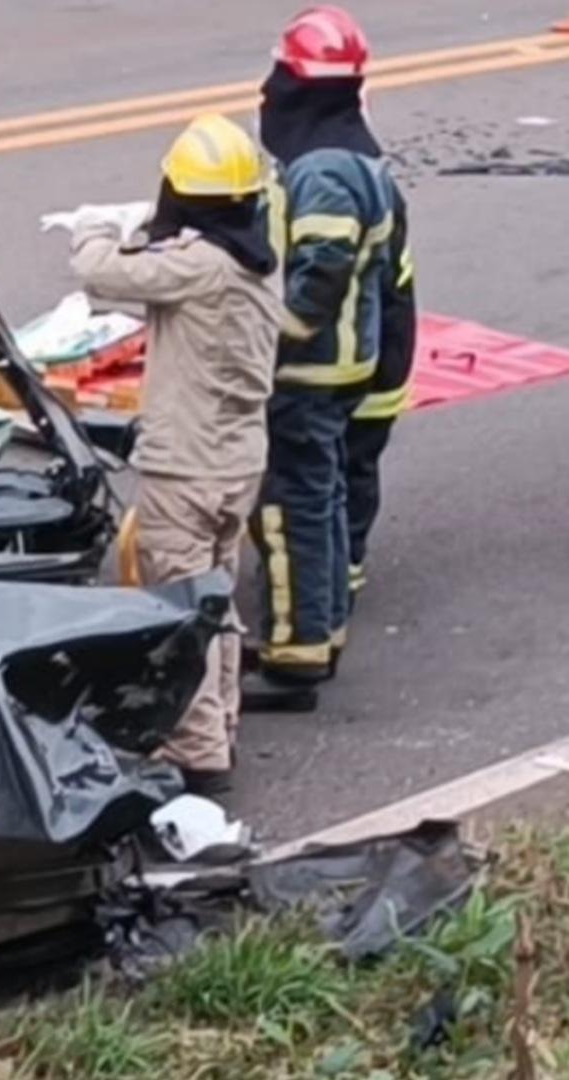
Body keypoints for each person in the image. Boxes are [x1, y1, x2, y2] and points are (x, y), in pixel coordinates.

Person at [67, 115, 281, 796]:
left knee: (178, 610)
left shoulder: (198, 268)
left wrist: (96, 225)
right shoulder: (253, 261)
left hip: (184, 470)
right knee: (215, 602)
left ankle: (195, 754)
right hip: (236, 463)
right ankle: (219, 727)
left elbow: (97, 272)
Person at [244, 5, 397, 712]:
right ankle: (320, 629)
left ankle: (296, 656)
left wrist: (276, 330)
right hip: (345, 366)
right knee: (323, 500)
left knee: (292, 509)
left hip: (309, 371)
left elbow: (324, 262)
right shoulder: (359, 156)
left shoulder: (324, 170)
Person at [346, 184, 416, 598]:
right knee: (354, 464)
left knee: (345, 464)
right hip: (384, 350)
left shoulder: (334, 195)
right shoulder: (374, 184)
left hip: (365, 363)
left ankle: (342, 567)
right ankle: (344, 562)